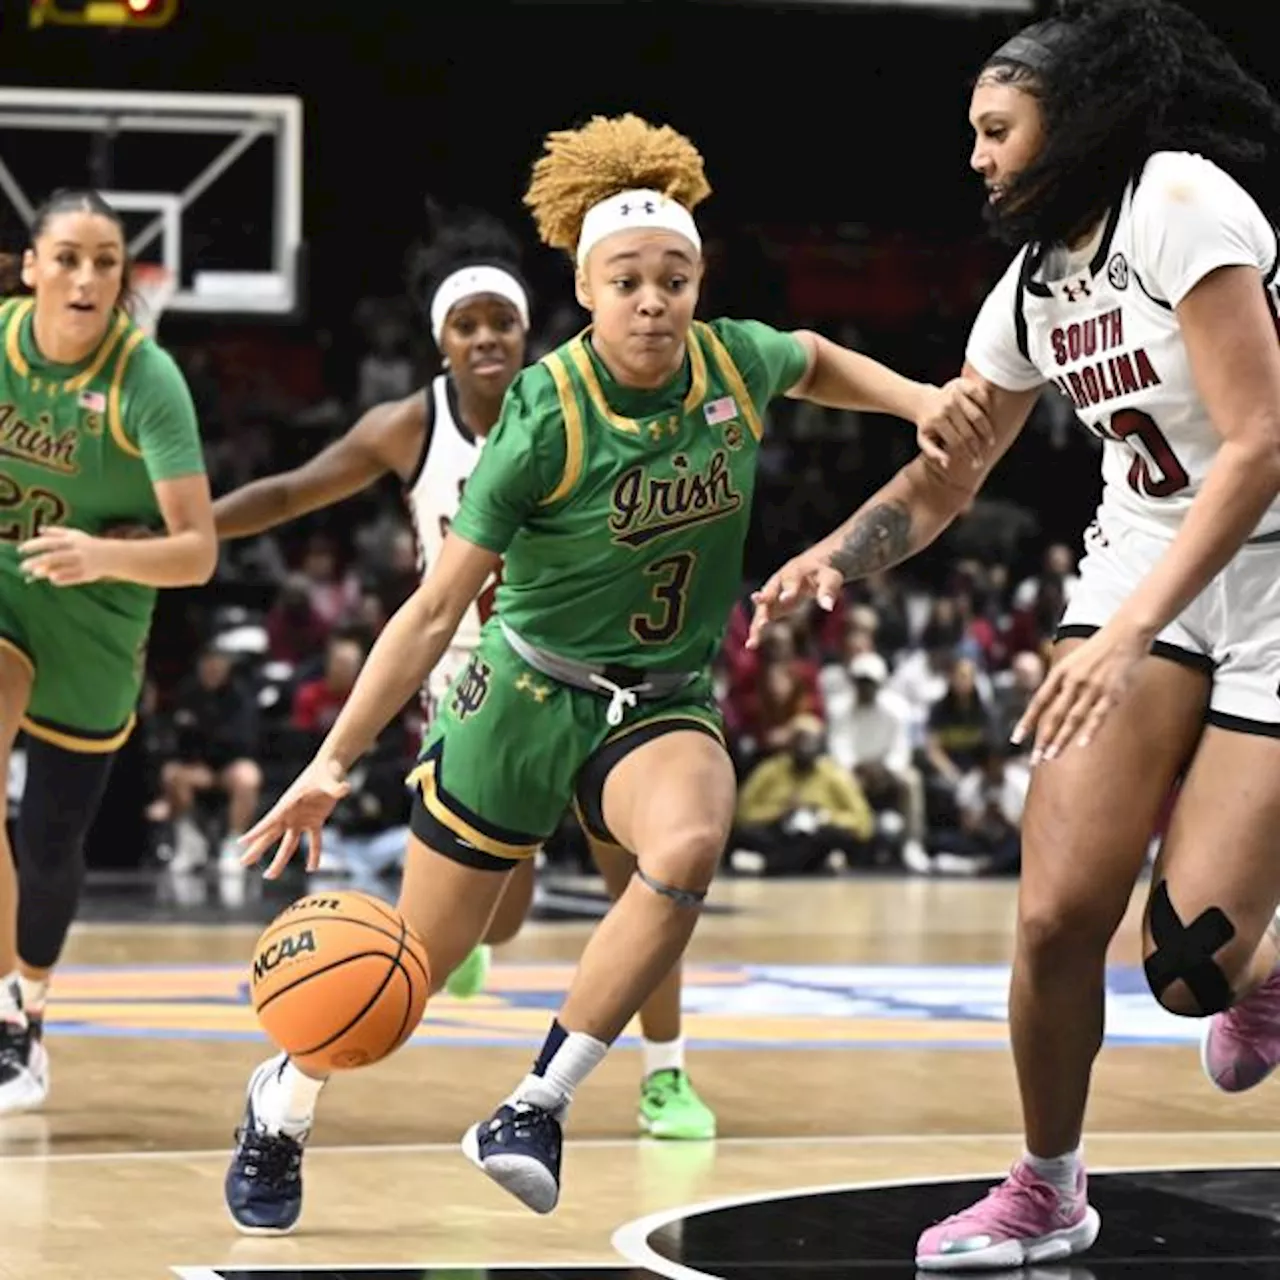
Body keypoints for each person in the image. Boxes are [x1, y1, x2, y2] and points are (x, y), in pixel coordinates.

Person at [222, 111, 993, 1235]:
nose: (652, 300)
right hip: (524, 694)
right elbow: (435, 604)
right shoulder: (542, 416)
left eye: (673, 279)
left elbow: (815, 356)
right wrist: (331, 762)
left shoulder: (732, 357)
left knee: (684, 841)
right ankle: (281, 1102)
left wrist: (918, 400)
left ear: (695, 285)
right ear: (586, 291)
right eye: (626, 280)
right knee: (411, 973)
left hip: (658, 696)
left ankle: (535, 1104)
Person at [749, 1, 1280, 1267]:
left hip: (1270, 570)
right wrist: (836, 550)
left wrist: (1120, 635)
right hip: (1144, 564)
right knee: (1051, 916)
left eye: (995, 130)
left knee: (1185, 974)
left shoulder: (1176, 201)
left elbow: (1258, 444)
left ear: (1071, 124)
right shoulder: (1035, 284)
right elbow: (945, 474)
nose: (976, 157)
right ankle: (1047, 1185)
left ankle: (1248, 965)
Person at [210, 201, 721, 1140]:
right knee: (496, 907)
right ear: (441, 340)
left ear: (532, 329)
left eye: (503, 324)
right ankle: (442, 955)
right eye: (467, 326)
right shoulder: (410, 427)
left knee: (647, 875)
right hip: (470, 678)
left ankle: (666, 1073)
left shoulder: (583, 399)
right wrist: (190, 527)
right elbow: (293, 492)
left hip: (606, 677)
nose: (488, 340)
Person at [0, 188, 215, 1113]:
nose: (89, 277)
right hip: (9, 587)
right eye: (71, 257)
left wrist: (102, 555)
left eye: (107, 261)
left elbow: (198, 551)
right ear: (31, 267)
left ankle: (28, 1013)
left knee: (50, 842)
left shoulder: (147, 379)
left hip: (98, 614)